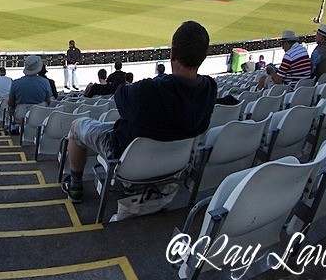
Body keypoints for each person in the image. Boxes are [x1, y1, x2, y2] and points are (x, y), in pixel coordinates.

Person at [62, 21, 216, 203]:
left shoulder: (148, 90)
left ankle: (75, 186)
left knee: (77, 126)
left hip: (126, 156)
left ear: (173, 53)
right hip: (175, 164)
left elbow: (120, 97)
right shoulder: (210, 89)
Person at [7, 55, 53, 134]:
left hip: (20, 114)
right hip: (39, 115)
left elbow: (10, 103)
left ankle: (12, 126)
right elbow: (49, 101)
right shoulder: (45, 82)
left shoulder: (16, 83)